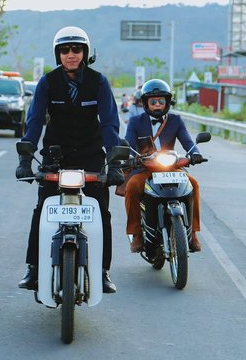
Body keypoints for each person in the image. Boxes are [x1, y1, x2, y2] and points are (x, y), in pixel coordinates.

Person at [15, 26, 125, 293]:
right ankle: (33, 268)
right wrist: (26, 155)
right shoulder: (47, 82)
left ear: (85, 52)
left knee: (102, 212)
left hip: (91, 156)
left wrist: (115, 162)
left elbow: (110, 123)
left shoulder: (99, 82)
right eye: (65, 50)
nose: (71, 54)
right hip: (55, 156)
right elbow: (35, 120)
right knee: (42, 210)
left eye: (76, 49)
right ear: (58, 54)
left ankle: (102, 270)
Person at [124, 79, 203, 253]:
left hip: (171, 168)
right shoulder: (136, 122)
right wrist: (129, 158)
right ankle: (136, 233)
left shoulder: (176, 120)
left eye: (161, 100)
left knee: (194, 185)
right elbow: (128, 144)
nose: (157, 105)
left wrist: (195, 153)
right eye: (153, 101)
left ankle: (194, 233)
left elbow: (187, 141)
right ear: (146, 103)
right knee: (131, 187)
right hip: (145, 168)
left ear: (168, 102)